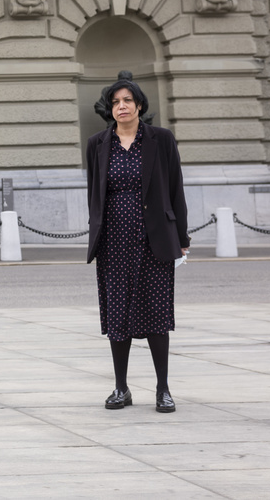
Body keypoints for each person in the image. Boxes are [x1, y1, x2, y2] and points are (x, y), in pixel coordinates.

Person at [87, 76, 189, 414]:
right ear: (110, 109)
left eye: (128, 100)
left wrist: (182, 238)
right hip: (113, 243)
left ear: (140, 105)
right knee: (118, 317)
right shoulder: (98, 144)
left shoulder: (160, 140)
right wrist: (95, 234)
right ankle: (121, 388)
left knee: (157, 314)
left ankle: (163, 389)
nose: (122, 106)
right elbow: (94, 196)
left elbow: (176, 189)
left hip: (154, 240)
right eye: (116, 102)